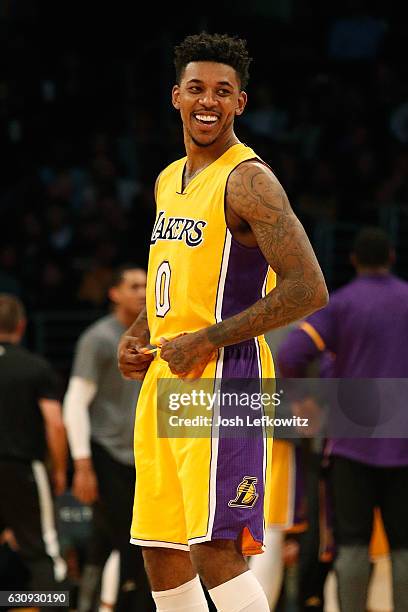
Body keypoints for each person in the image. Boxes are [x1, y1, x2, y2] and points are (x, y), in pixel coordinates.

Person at [118, 32, 328, 612]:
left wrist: (207, 338)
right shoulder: (168, 179)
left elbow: (309, 288)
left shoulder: (248, 179)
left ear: (240, 103)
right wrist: (139, 334)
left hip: (224, 373)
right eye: (196, 89)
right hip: (168, 370)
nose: (207, 101)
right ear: (176, 97)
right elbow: (175, 275)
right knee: (160, 548)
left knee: (216, 547)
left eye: (222, 91)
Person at [277, 227, 408, 611]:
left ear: (353, 260)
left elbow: (291, 354)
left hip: (351, 442)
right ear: (392, 257)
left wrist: (304, 403)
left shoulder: (342, 304)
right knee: (403, 546)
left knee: (351, 543)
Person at [63, 265, 154, 612]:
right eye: (133, 286)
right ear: (114, 293)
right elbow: (74, 401)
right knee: (130, 541)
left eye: (146, 284)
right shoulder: (99, 338)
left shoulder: (158, 334)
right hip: (106, 453)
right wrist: (82, 464)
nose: (143, 292)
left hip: (143, 454)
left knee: (110, 543)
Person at [0, 294, 68, 598]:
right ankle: (52, 604)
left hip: (20, 465)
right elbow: (54, 423)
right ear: (22, 325)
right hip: (21, 467)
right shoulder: (34, 367)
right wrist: (59, 470)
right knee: (42, 547)